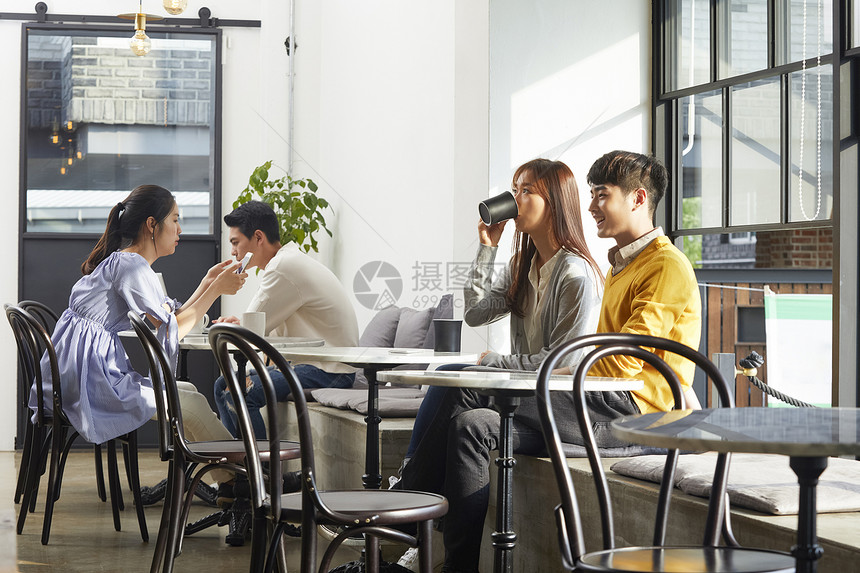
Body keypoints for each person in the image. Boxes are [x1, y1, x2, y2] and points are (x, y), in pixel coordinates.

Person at [399, 158, 607, 573]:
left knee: (457, 379)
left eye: (526, 190)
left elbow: (564, 361)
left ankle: (406, 500)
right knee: (466, 422)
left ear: (555, 202)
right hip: (525, 399)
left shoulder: (576, 274)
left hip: (562, 405)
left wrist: (492, 362)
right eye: (514, 189)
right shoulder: (522, 266)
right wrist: (487, 247)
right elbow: (475, 312)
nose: (515, 198)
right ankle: (449, 554)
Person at [33, 185, 246, 483]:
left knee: (189, 393)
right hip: (91, 386)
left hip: (80, 378)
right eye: (174, 219)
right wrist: (216, 290)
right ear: (151, 225)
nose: (179, 228)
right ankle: (243, 482)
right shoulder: (132, 267)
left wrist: (209, 283)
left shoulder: (124, 262)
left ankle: (231, 482)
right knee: (193, 404)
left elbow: (169, 320)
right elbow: (173, 329)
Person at [212, 200, 359, 440]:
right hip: (320, 365)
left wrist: (236, 322)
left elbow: (252, 330)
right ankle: (238, 472)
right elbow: (259, 321)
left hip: (329, 369)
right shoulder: (286, 261)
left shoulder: (282, 266)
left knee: (237, 391)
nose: (233, 251)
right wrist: (238, 322)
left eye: (235, 242)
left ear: (258, 237)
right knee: (224, 385)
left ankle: (261, 475)